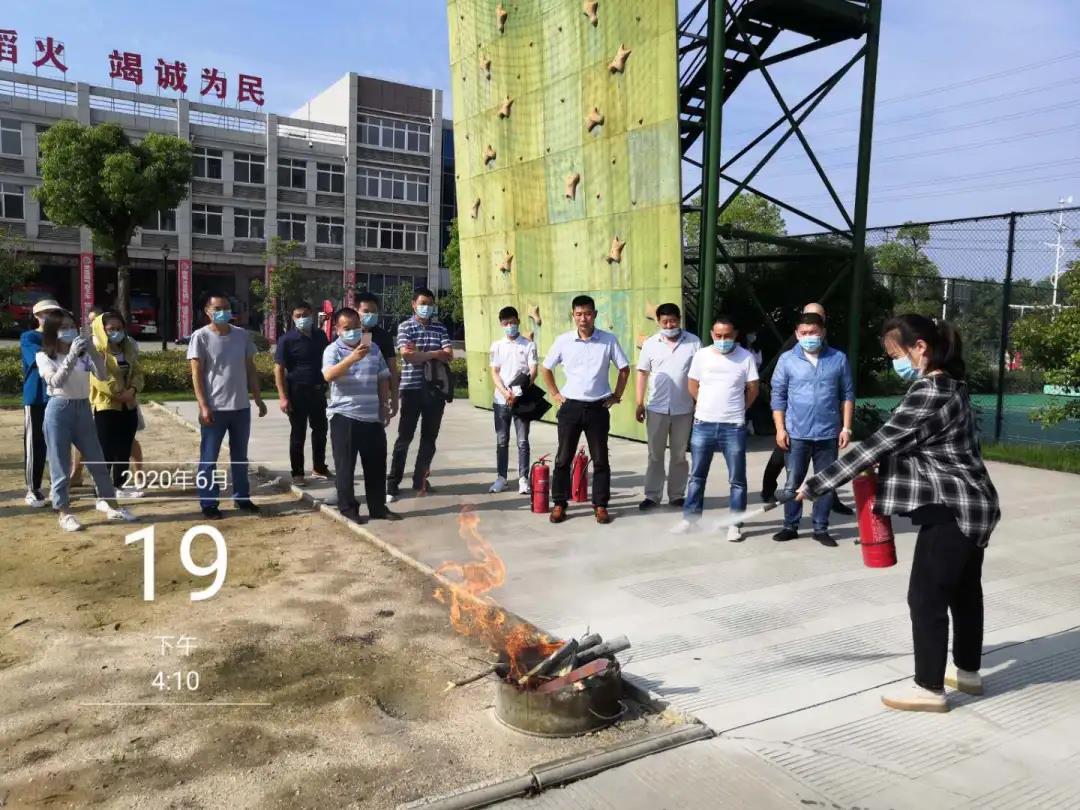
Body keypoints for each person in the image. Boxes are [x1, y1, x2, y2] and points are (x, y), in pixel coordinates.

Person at [797, 315, 999, 713]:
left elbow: (880, 442)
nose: (895, 363)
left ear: (920, 347)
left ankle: (929, 689)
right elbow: (917, 444)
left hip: (952, 509)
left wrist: (816, 484)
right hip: (973, 503)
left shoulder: (930, 389)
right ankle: (968, 673)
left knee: (925, 598)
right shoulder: (953, 384)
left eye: (895, 355)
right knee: (963, 591)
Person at [35, 311, 137, 531]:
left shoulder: (83, 355)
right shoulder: (44, 356)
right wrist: (71, 356)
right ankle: (64, 512)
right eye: (64, 327)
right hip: (59, 409)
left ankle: (112, 505)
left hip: (83, 408)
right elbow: (56, 381)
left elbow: (102, 375)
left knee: (97, 461)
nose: (69, 331)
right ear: (53, 331)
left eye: (72, 326)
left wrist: (91, 351)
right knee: (60, 464)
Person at [540, 295, 630, 525]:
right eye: (579, 314)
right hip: (570, 406)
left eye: (588, 314)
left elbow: (624, 368)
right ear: (573, 315)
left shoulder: (608, 340)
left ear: (595, 315)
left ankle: (600, 505)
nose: (583, 319)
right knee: (563, 458)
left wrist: (616, 395)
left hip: (598, 407)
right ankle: (559, 503)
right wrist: (555, 393)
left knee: (600, 459)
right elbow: (546, 368)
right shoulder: (563, 341)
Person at [771, 312, 855, 547]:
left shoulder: (838, 358)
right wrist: (780, 429)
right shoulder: (787, 360)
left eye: (813, 332)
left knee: (825, 483)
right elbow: (778, 396)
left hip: (828, 433)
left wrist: (846, 428)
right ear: (797, 334)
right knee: (792, 482)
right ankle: (790, 526)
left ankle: (820, 528)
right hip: (796, 433)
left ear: (823, 332)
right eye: (804, 333)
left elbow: (847, 395)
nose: (809, 337)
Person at [672, 315, 759, 540]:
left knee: (737, 479)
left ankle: (734, 524)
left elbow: (753, 388)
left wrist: (740, 409)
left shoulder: (746, 357)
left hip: (733, 426)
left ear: (735, 334)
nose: (722, 340)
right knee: (697, 475)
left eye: (727, 336)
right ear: (712, 334)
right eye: (718, 336)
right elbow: (692, 384)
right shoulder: (701, 356)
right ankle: (690, 519)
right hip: (703, 423)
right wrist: (703, 403)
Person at [187, 293, 267, 520]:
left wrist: (258, 398)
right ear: (207, 311)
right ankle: (208, 502)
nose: (223, 312)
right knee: (208, 458)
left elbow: (250, 368)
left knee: (240, 457)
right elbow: (196, 373)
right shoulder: (200, 337)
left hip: (240, 408)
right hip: (215, 409)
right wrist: (203, 406)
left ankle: (242, 497)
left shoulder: (242, 335)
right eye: (218, 308)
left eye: (226, 308)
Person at [322, 307, 400, 524]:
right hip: (344, 415)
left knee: (376, 466)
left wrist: (384, 404)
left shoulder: (372, 347)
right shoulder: (332, 350)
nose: (353, 331)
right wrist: (352, 358)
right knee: (345, 467)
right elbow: (328, 375)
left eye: (356, 326)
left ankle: (378, 508)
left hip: (371, 415)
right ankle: (348, 509)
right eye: (347, 328)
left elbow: (382, 377)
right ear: (337, 329)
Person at [387, 288, 452, 500]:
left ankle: (420, 479)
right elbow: (407, 356)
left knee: (429, 439)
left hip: (435, 391)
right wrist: (435, 354)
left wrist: (421, 354)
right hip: (411, 389)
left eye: (430, 304)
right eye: (423, 303)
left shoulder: (440, 327)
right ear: (413, 304)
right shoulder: (405, 327)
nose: (427, 307)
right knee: (404, 438)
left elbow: (448, 354)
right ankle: (393, 482)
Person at [635, 302, 700, 510]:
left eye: (673, 321)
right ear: (658, 321)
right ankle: (652, 495)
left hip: (684, 408)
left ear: (679, 319)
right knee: (655, 455)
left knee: (679, 455)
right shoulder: (650, 344)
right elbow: (642, 373)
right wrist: (639, 403)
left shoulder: (694, 342)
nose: (669, 325)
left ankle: (677, 495)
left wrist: (699, 402)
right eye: (665, 322)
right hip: (656, 408)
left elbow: (700, 375)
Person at [273, 302, 332, 486]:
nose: (302, 318)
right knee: (298, 433)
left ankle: (319, 467)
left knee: (321, 431)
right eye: (298, 315)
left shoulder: (320, 336)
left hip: (318, 391)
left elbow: (328, 360)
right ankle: (298, 473)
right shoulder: (287, 340)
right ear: (293, 318)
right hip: (297, 392)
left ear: (312, 314)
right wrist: (283, 397)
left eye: (305, 314)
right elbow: (278, 369)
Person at [89, 310, 144, 497]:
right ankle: (102, 488)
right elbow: (99, 378)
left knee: (124, 448)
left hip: (129, 405)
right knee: (105, 448)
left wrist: (132, 391)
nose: (115, 332)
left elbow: (137, 373)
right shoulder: (95, 350)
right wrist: (118, 394)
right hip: (107, 406)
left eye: (119, 328)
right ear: (102, 329)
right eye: (111, 329)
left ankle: (119, 485)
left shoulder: (128, 348)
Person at [488, 306, 538, 495]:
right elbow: (495, 372)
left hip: (521, 400)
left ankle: (523, 478)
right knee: (502, 440)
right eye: (506, 323)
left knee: (523, 441)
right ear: (501, 324)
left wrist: (518, 392)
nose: (510, 326)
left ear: (518, 321)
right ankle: (501, 478)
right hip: (501, 400)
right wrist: (505, 392)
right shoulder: (497, 346)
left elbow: (533, 371)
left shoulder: (528, 345)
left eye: (513, 322)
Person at [22, 298, 64, 507]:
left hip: (60, 396)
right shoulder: (29, 337)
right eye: (46, 313)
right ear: (37, 316)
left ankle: (59, 485)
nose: (50, 317)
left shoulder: (63, 336)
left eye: (55, 313)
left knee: (58, 443)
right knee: (35, 443)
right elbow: (40, 358)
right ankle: (33, 488)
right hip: (37, 397)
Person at [356, 292, 400, 418]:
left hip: (377, 398)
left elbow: (392, 369)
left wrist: (394, 398)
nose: (370, 315)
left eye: (374, 311)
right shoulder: (348, 335)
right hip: (352, 399)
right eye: (366, 311)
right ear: (356, 311)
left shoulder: (384, 337)